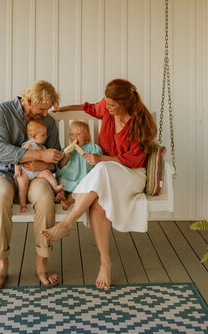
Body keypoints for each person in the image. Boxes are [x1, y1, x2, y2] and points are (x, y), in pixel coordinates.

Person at [41, 78, 157, 290]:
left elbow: (134, 160)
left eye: (112, 105)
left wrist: (102, 159)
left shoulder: (140, 123)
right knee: (96, 202)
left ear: (125, 103)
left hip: (132, 174)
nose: (107, 107)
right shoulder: (106, 107)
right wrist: (63, 109)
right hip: (107, 173)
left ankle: (67, 222)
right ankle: (105, 262)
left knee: (102, 168)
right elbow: (89, 107)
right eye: (107, 103)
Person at [0, 80, 63, 291]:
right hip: (1, 171)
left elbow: (56, 158)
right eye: (42, 109)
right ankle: (1, 264)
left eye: (47, 109)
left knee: (45, 197)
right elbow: (1, 152)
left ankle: (42, 261)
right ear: (29, 101)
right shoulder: (2, 112)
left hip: (35, 175)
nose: (45, 114)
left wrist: (44, 163)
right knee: (0, 198)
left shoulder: (48, 122)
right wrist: (39, 154)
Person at [15, 119, 64, 213]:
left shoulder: (43, 147)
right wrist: (17, 169)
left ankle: (55, 187)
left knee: (47, 173)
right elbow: (18, 157)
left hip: (37, 172)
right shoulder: (28, 145)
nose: (46, 136)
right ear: (34, 136)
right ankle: (23, 205)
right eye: (43, 135)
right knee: (23, 187)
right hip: (25, 171)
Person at [56, 120, 102, 210]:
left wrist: (91, 157)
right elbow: (61, 166)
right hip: (68, 175)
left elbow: (99, 162)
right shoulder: (66, 150)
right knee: (61, 180)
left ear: (87, 136)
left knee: (81, 186)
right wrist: (66, 157)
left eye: (78, 134)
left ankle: (68, 201)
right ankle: (61, 194)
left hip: (83, 177)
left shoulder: (92, 148)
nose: (75, 137)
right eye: (72, 134)